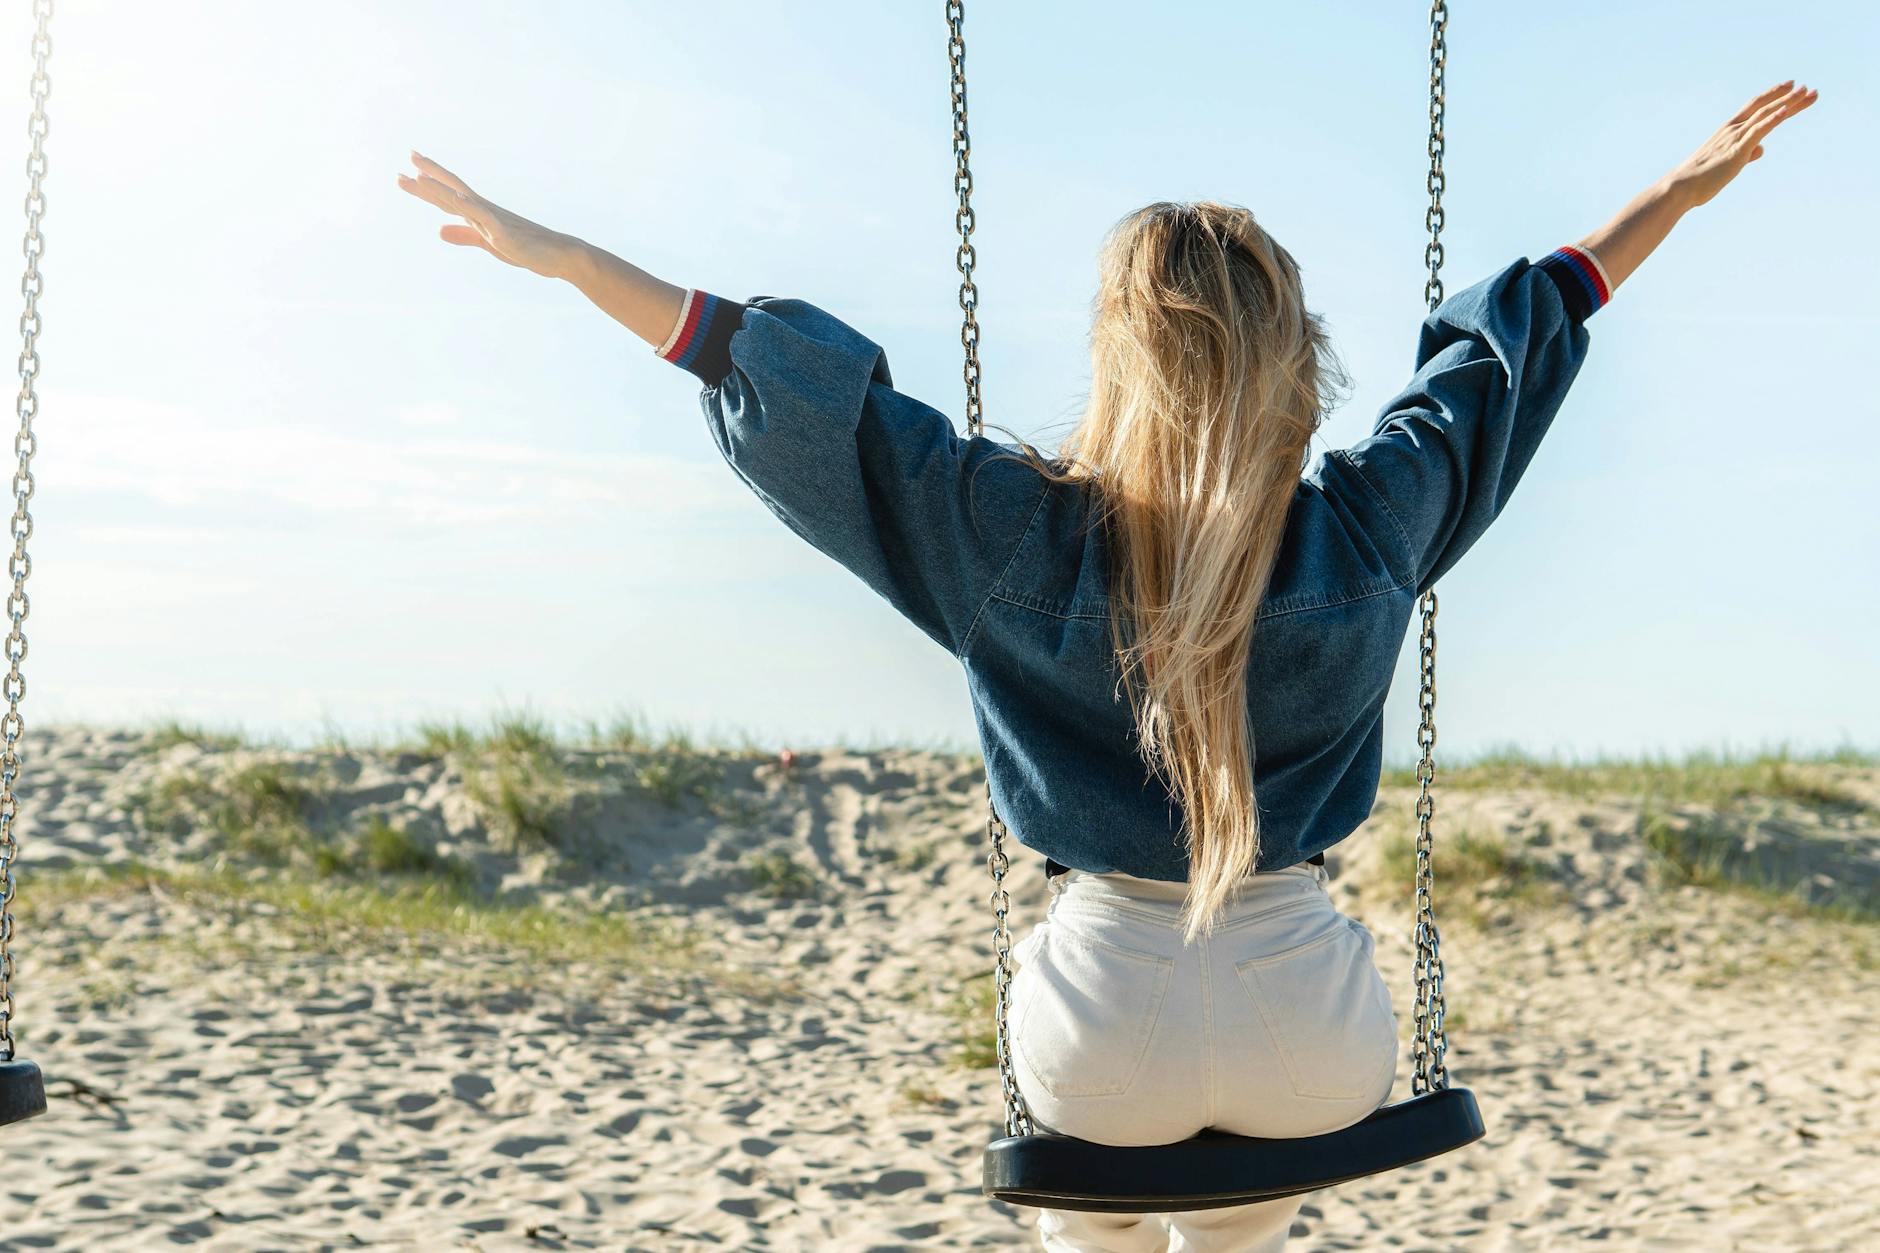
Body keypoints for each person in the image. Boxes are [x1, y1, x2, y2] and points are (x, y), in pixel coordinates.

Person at [399, 79, 1816, 1253]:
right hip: (1309, 1027)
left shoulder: (1006, 535)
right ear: (1293, 366)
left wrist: (574, 260)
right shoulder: (1371, 526)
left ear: (1116, 363)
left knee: (1088, 1209)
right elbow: (1512, 346)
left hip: (1098, 1027)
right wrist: (1672, 200)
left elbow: (788, 391)